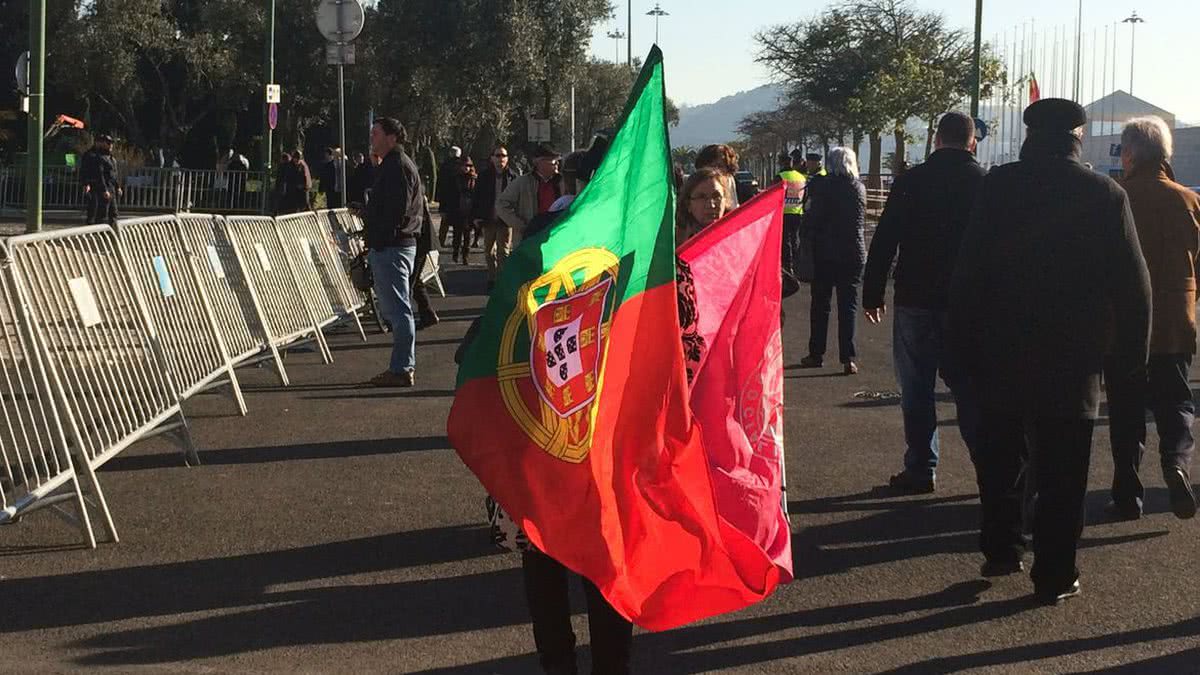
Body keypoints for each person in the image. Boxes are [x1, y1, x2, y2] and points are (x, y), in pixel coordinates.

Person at [949, 99, 1150, 603]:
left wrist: (958, 348)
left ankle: (1001, 547)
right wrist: (1130, 360)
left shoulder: (997, 186)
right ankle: (1056, 573)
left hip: (1002, 351)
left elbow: (969, 271)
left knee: (1002, 457)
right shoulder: (1106, 194)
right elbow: (1135, 287)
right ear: (1079, 137)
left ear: (1029, 135)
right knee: (1065, 470)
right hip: (1074, 357)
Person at [862, 112, 986, 494]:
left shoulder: (912, 181)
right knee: (969, 389)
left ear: (935, 140)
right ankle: (989, 468)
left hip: (916, 295)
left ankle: (921, 466)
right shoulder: (985, 183)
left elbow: (885, 239)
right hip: (967, 303)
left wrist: (873, 291)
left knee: (916, 387)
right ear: (972, 142)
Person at [1104, 116, 1200, 521]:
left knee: (1125, 410)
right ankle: (1176, 461)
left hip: (1126, 322)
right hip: (1175, 320)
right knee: (1176, 399)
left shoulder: (1115, 197)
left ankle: (1128, 493)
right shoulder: (1189, 200)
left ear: (1129, 154)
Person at [362, 117, 426, 388]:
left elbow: (396, 210)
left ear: (391, 137)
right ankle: (401, 365)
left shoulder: (397, 167)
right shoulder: (393, 165)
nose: (372, 139)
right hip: (394, 244)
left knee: (398, 310)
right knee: (396, 309)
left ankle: (402, 367)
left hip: (393, 246)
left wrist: (380, 237)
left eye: (376, 134)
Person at [798, 147, 866, 375]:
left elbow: (812, 218)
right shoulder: (859, 188)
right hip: (853, 252)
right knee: (849, 305)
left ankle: (816, 353)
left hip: (825, 252)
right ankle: (849, 357)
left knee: (821, 305)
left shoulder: (822, 186)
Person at [473, 144, 520, 290]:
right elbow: (477, 197)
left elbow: (518, 199)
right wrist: (476, 216)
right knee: (488, 251)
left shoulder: (513, 177)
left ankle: (501, 279)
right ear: (492, 158)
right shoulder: (484, 176)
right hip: (488, 219)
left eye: (503, 156)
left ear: (507, 159)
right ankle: (491, 277)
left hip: (505, 220)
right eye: (497, 155)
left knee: (503, 251)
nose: (501, 159)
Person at [496, 143, 562, 245]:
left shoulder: (562, 182)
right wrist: (521, 225)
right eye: (553, 161)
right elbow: (501, 204)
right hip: (530, 238)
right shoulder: (523, 182)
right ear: (539, 162)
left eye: (558, 161)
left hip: (556, 235)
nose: (557, 164)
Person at [411, 195, 440, 330]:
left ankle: (426, 314)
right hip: (422, 239)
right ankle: (427, 313)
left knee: (412, 279)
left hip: (417, 239)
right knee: (415, 279)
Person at [776, 153, 807, 279]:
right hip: (797, 213)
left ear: (781, 163)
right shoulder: (800, 177)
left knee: (784, 241)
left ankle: (787, 266)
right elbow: (805, 195)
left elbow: (773, 194)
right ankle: (796, 263)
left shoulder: (780, 176)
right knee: (795, 239)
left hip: (783, 213)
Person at [81, 133, 121, 225]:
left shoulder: (111, 158)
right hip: (96, 184)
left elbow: (114, 173)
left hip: (109, 186)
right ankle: (94, 229)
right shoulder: (91, 155)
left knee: (113, 211)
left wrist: (118, 186)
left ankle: (111, 231)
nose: (110, 145)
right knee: (96, 209)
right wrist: (86, 183)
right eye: (107, 143)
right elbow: (93, 172)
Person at [447, 156, 478, 264]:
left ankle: (465, 256)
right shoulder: (454, 178)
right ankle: (455, 252)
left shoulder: (474, 179)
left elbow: (477, 195)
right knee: (457, 234)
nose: (466, 168)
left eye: (469, 166)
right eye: (465, 166)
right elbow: (449, 195)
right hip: (457, 210)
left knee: (468, 235)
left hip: (470, 211)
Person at [694, 143, 740, 210]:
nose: (715, 171)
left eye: (719, 166)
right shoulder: (693, 190)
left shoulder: (743, 192)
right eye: (711, 166)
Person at [436, 146, 463, 246]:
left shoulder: (444, 166)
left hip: (446, 198)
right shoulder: (461, 166)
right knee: (458, 224)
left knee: (445, 222)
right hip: (458, 199)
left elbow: (440, 183)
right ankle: (456, 243)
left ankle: (440, 241)